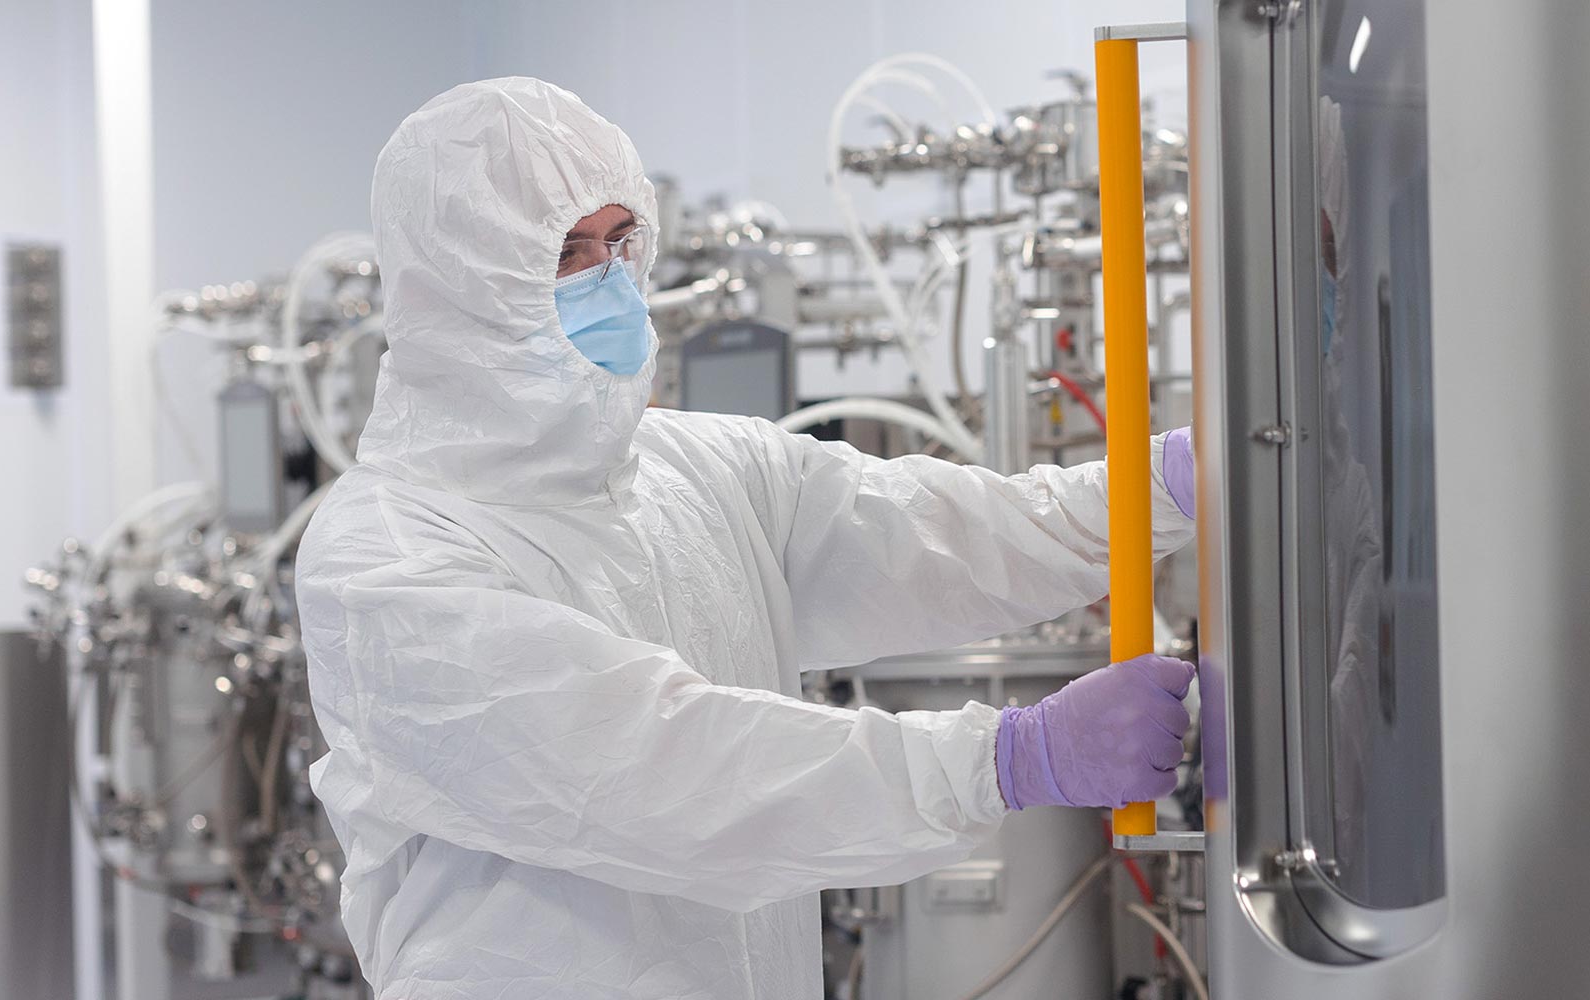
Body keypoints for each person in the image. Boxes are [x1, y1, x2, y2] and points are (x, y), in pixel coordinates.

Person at [295, 77, 1199, 1000]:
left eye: (618, 241)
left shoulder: (695, 468)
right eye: (565, 251)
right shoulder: (384, 555)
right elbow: (657, 767)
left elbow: (929, 532)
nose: (606, 279)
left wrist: (1155, 490)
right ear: (454, 285)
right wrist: (1004, 759)